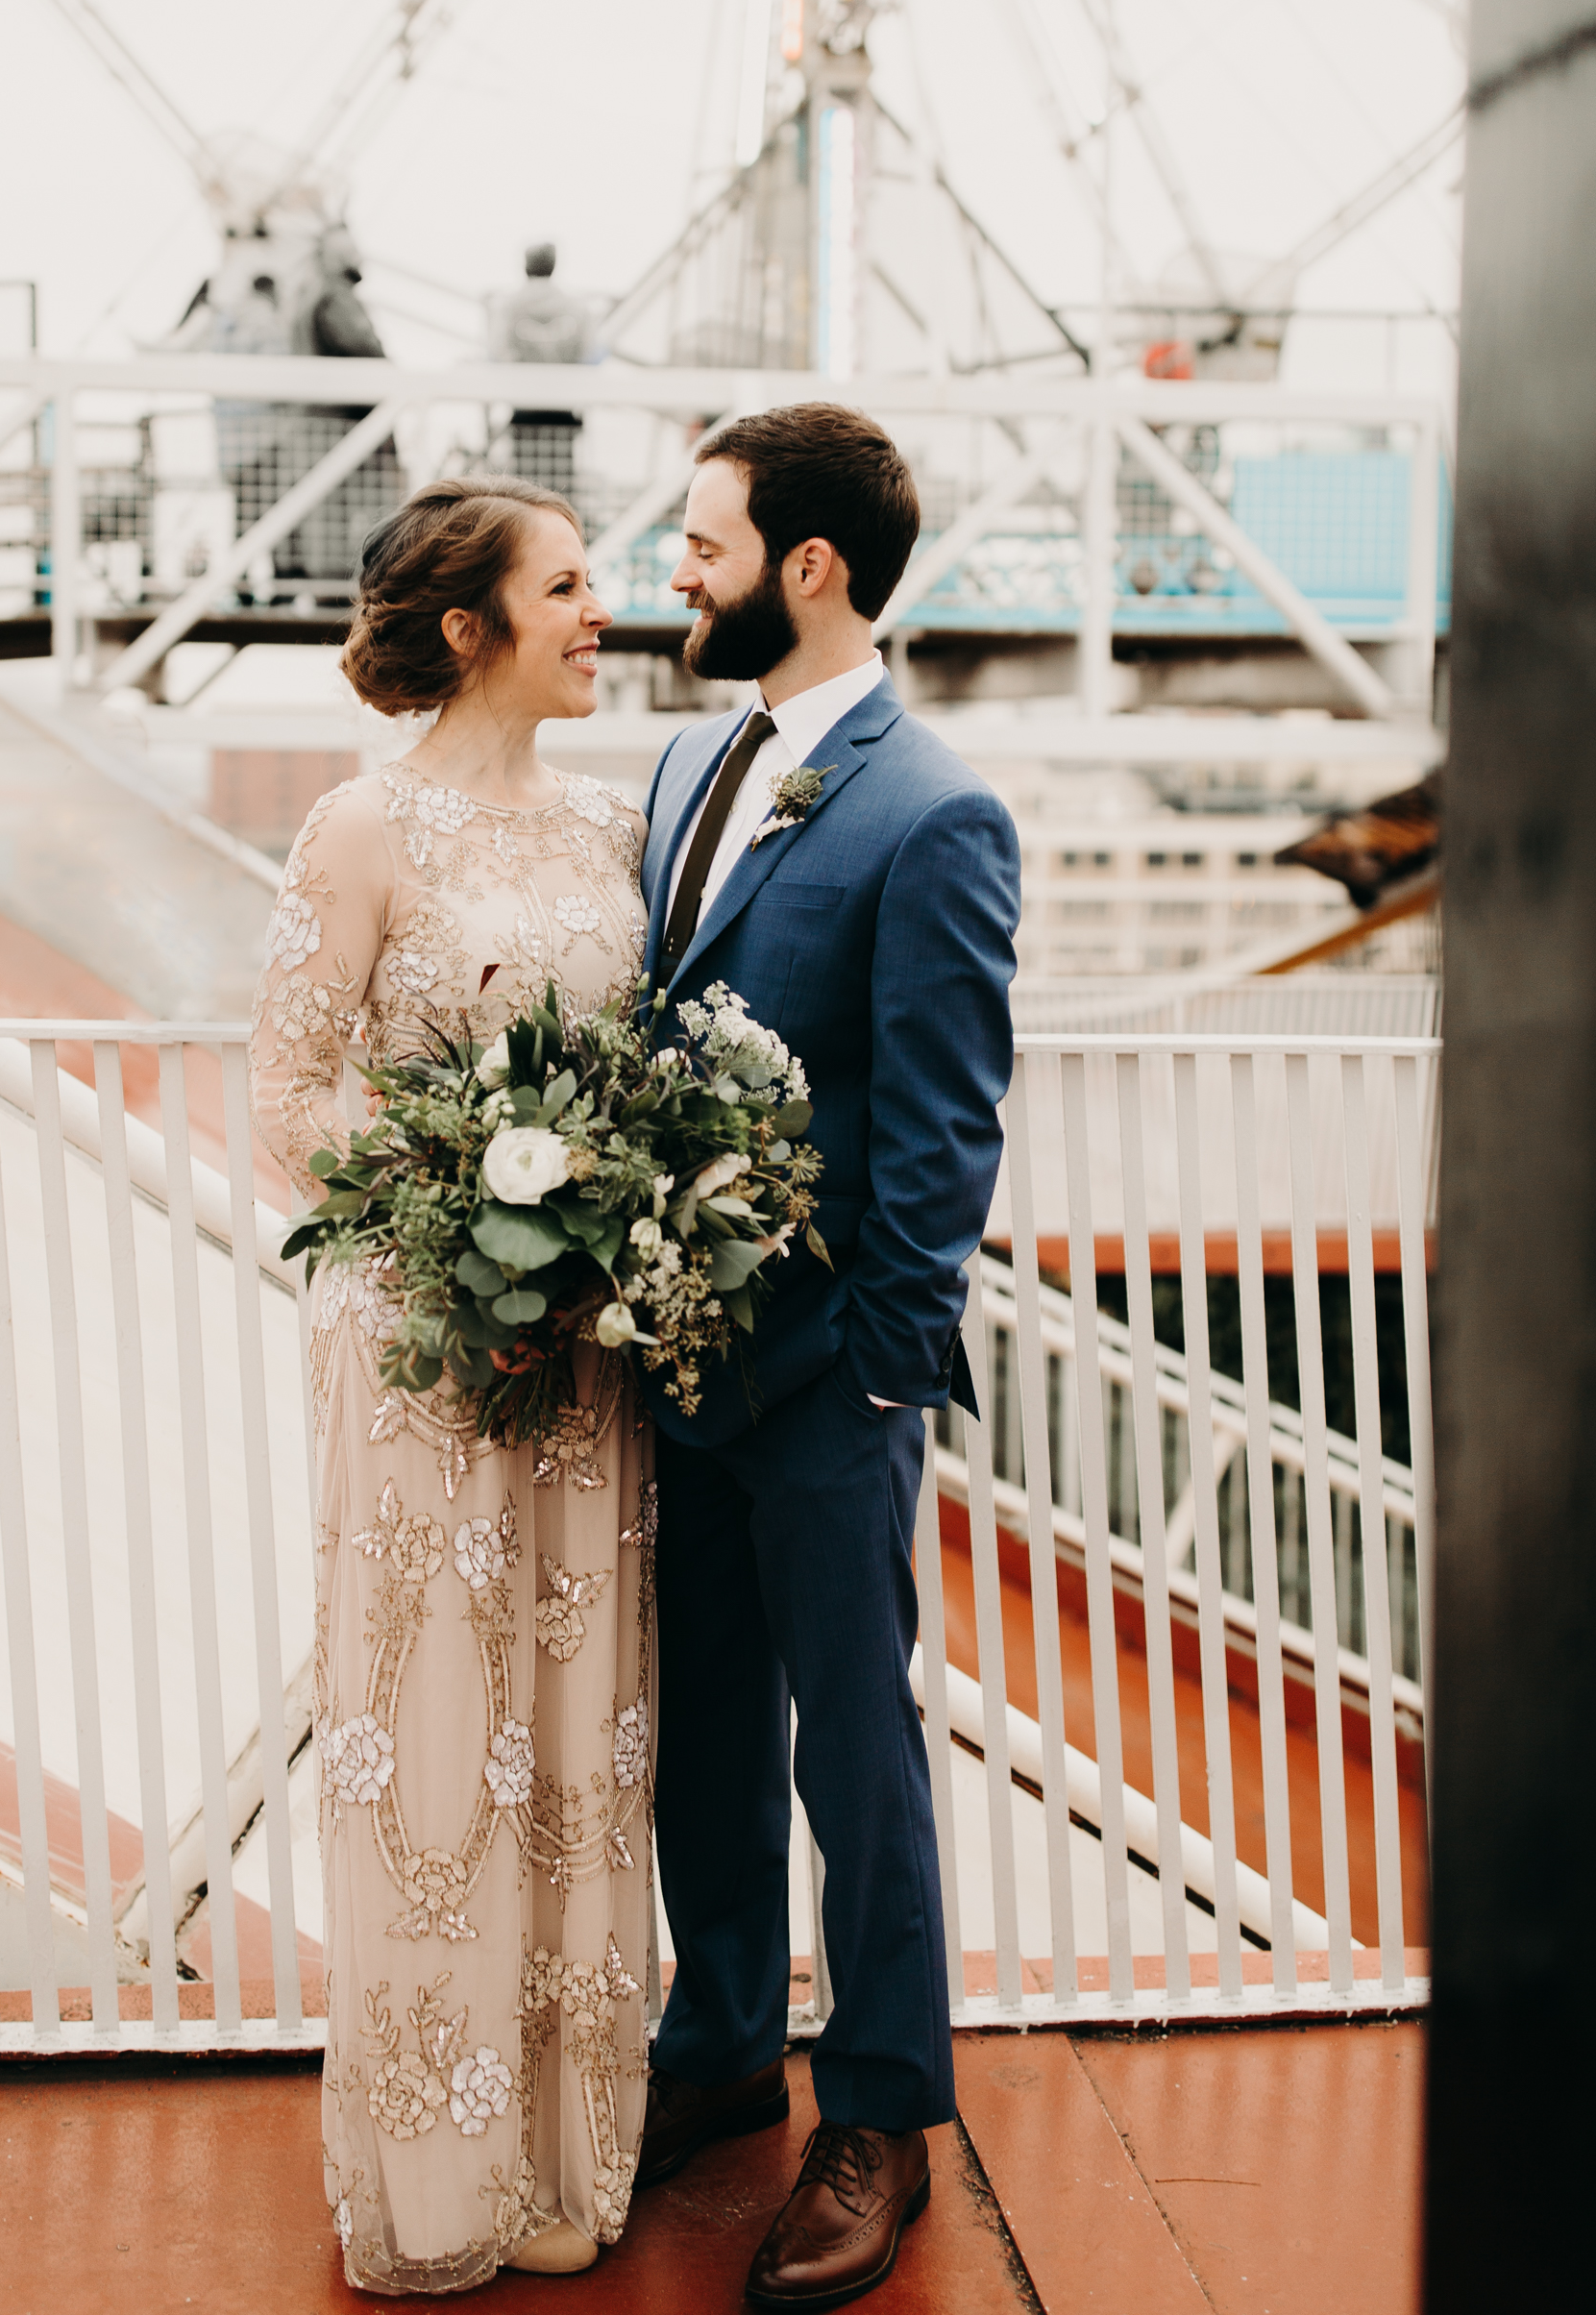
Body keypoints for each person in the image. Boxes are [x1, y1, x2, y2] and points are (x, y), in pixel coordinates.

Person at [250, 478, 655, 2295]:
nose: (604, 613)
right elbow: (289, 1099)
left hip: (580, 1368)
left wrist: (594, 1233)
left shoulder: (612, 832)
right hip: (425, 1356)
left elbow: (635, 1086)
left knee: (571, 1733)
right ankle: (437, 2177)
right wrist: (464, 1213)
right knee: (431, 1739)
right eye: (570, 587)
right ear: (473, 626)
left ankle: (564, 2160)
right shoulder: (358, 829)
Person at [636, 402, 1020, 2308]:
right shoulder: (691, 761)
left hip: (823, 1390)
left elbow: (943, 1128)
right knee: (697, 1727)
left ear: (805, 566)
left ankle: (879, 2115)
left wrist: (875, 1368)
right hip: (673, 1364)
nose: (670, 575)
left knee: (852, 1757)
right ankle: (716, 2049)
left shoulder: (932, 807)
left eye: (697, 544)